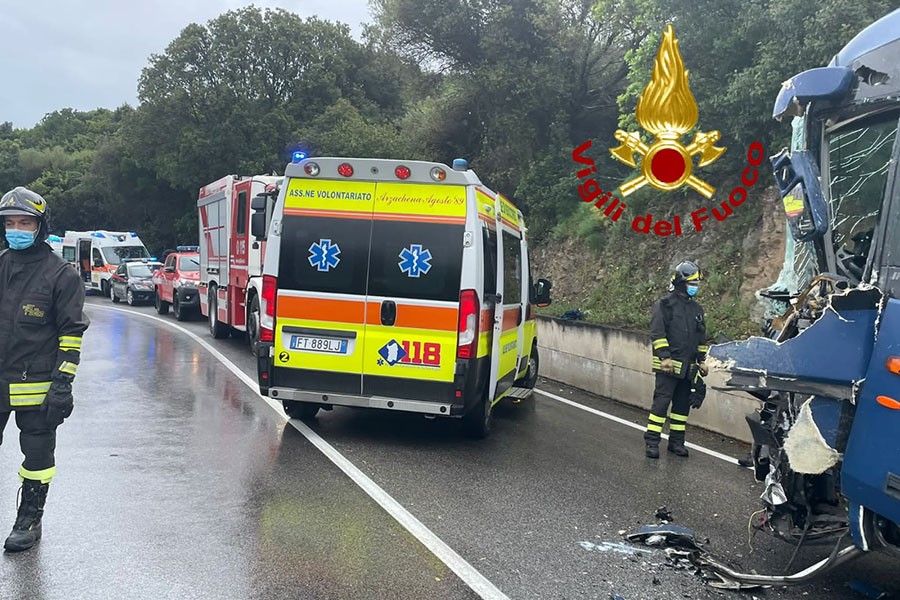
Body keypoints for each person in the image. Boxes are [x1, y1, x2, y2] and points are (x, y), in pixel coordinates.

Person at [0, 187, 88, 552]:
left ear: (39, 226)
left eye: (25, 223)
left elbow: (71, 334)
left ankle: (29, 519)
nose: (16, 229)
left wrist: (63, 383)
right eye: (10, 223)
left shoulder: (61, 275)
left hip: (35, 385)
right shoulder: (1, 263)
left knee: (36, 458)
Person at [644, 261, 709, 459]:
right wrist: (664, 357)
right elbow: (657, 333)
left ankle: (676, 442)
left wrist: (702, 360)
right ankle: (652, 441)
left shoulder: (696, 309)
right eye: (692, 283)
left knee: (681, 408)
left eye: (696, 284)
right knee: (661, 405)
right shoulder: (664, 305)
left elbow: (700, 337)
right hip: (668, 368)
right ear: (681, 283)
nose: (695, 287)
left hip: (688, 369)